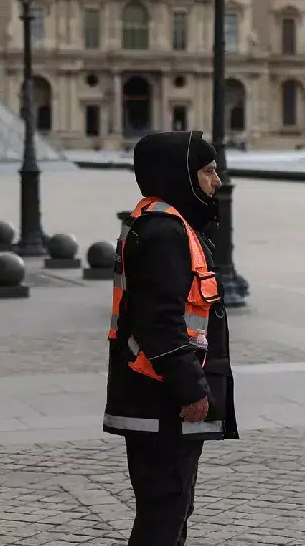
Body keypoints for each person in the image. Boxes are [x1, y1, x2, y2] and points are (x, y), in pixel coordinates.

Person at [103, 130, 239, 546]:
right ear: (179, 174)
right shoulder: (166, 233)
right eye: (208, 171)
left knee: (170, 506)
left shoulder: (158, 221)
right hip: (162, 400)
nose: (217, 182)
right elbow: (160, 321)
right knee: (165, 510)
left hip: (154, 395)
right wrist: (190, 390)